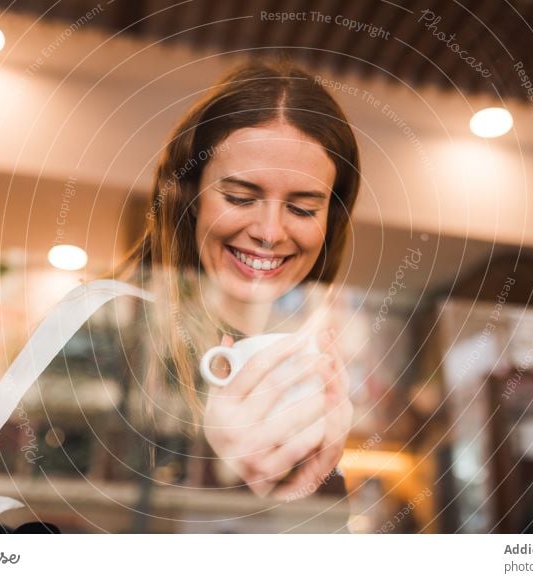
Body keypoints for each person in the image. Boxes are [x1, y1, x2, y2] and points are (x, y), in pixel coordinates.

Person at [111, 58, 362, 505]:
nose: (269, 231)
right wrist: (216, 469)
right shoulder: (107, 325)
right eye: (240, 197)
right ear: (190, 197)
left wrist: (311, 481)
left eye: (303, 208)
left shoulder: (310, 360)